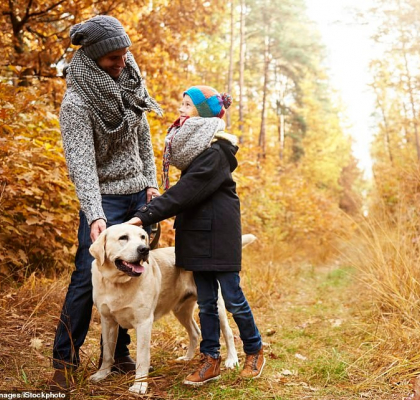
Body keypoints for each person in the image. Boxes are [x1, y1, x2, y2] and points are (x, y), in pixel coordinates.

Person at [50, 15, 162, 390]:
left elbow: (143, 138)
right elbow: (81, 165)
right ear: (94, 57)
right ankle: (63, 362)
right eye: (113, 57)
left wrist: (151, 184)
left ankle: (117, 355)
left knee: (134, 272)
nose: (122, 62)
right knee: (88, 273)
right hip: (105, 200)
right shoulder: (77, 102)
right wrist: (95, 214)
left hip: (137, 196)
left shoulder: (131, 82)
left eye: (125, 54)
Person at [126, 85, 265, 385]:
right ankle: (210, 360)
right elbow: (185, 196)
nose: (181, 108)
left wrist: (143, 216)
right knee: (205, 303)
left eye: (188, 105)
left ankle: (254, 351)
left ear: (202, 113)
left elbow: (184, 194)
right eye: (182, 102)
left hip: (220, 236)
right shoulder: (196, 151)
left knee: (233, 299)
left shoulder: (216, 153)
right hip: (196, 235)